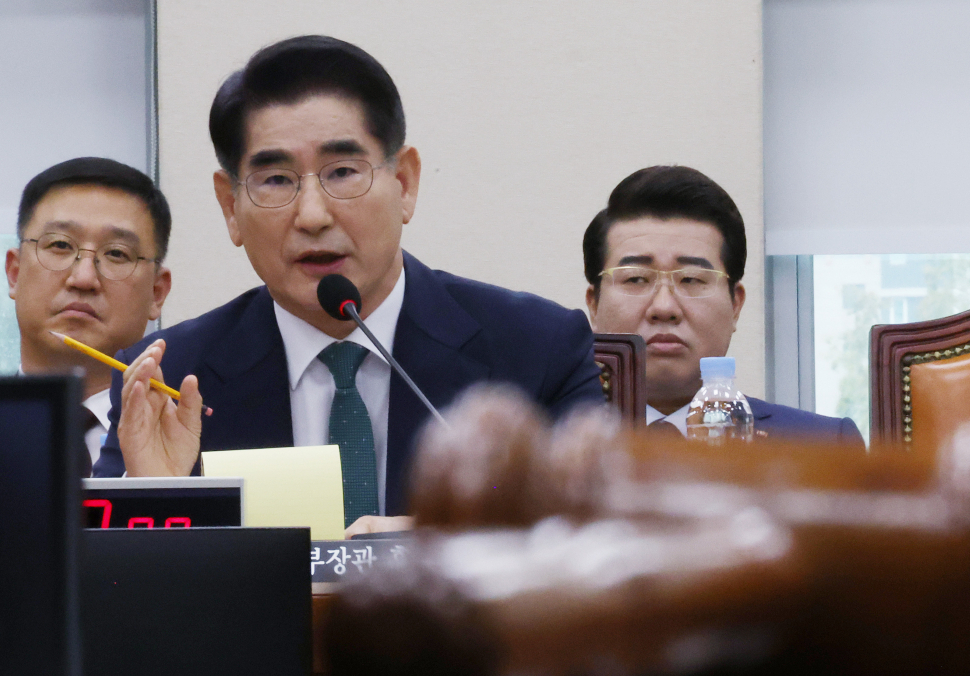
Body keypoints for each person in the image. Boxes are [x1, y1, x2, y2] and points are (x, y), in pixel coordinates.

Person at [93, 35, 604, 530]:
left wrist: (445, 545)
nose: (312, 215)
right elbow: (108, 599)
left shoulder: (537, 352)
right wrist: (156, 504)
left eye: (342, 172)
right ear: (230, 207)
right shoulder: (170, 377)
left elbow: (600, 552)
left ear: (404, 184)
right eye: (276, 180)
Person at [584, 166, 862, 444]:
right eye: (635, 279)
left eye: (691, 279)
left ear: (736, 305)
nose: (665, 308)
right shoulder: (548, 449)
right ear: (594, 305)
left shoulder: (823, 445)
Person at [7, 157, 172, 473]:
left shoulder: (195, 442)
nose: (83, 279)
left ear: (156, 293)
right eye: (59, 245)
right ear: (14, 273)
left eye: (116, 254)